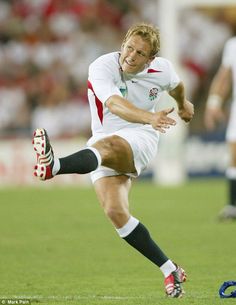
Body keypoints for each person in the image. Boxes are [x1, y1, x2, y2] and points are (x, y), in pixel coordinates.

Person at [33, 23, 194, 297]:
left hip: (142, 136)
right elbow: (114, 104)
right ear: (122, 44)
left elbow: (177, 86)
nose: (130, 56)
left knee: (106, 147)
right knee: (115, 212)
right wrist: (151, 115)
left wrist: (182, 104)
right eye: (128, 47)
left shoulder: (162, 69)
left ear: (150, 59)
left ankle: (54, 165)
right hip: (107, 137)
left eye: (139, 53)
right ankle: (170, 269)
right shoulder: (102, 66)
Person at [204, 36, 236, 221]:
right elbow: (224, 76)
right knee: (234, 155)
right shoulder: (233, 45)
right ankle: (233, 206)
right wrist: (214, 103)